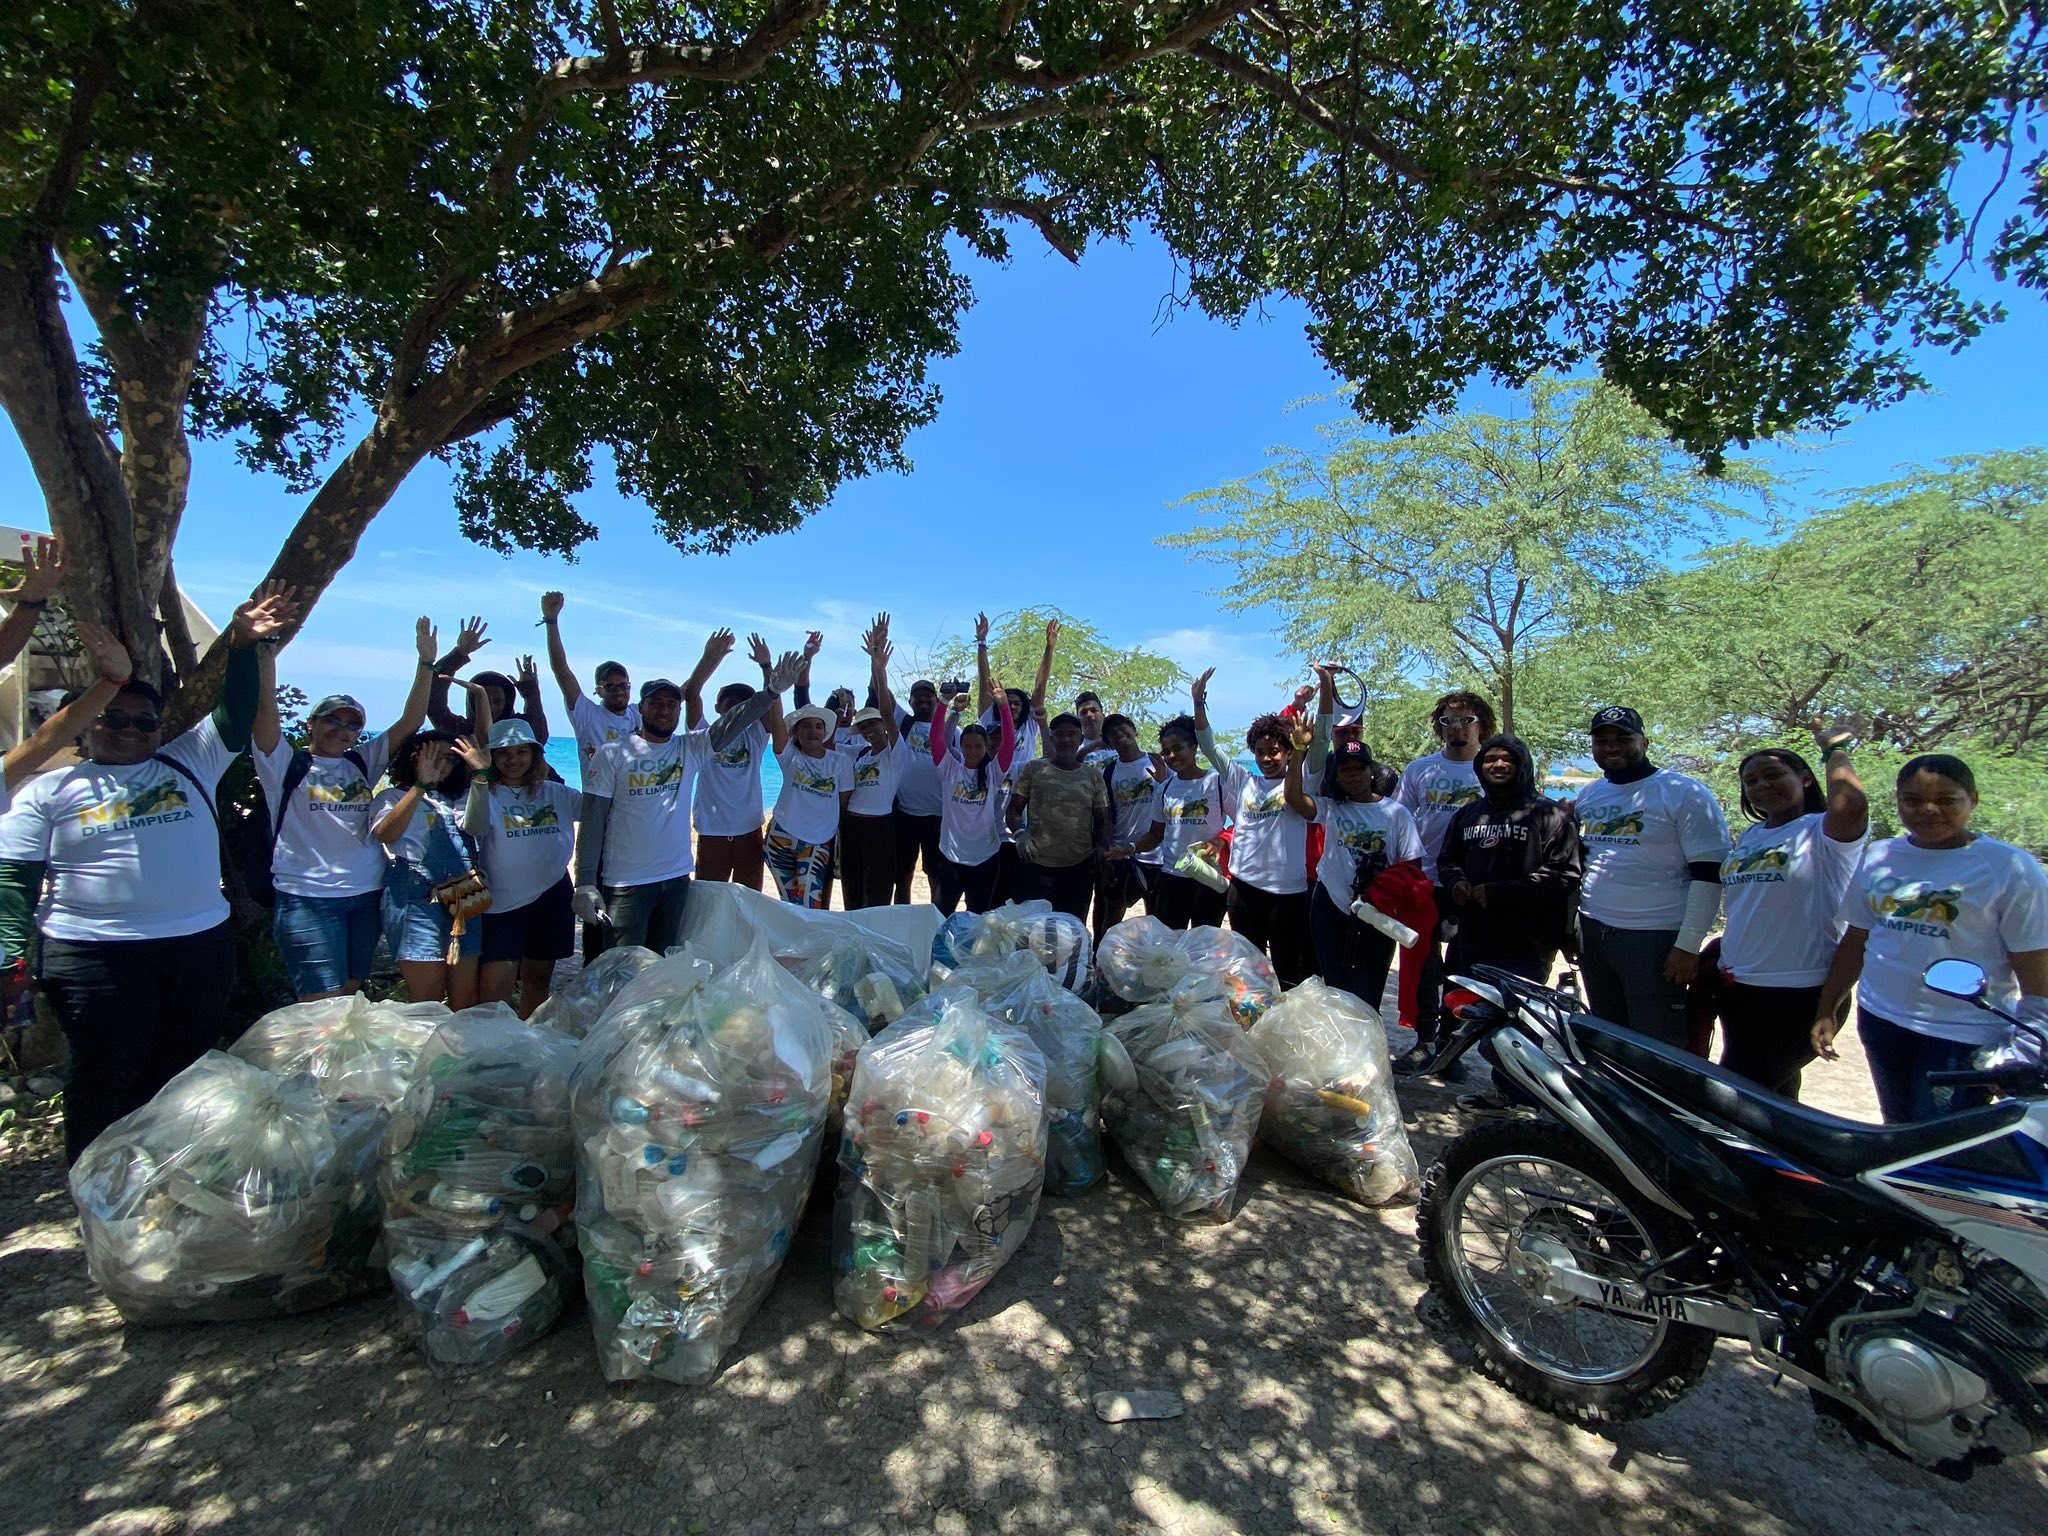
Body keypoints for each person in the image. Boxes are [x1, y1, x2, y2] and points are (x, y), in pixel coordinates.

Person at [0, 585, 298, 1161]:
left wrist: (242, 643)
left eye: (144, 721)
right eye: (113, 719)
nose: (130, 729)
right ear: (84, 724)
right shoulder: (50, 790)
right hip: (92, 955)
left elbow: (235, 714)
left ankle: (169, 1175)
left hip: (197, 947)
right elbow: (15, 882)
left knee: (182, 1070)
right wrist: (9, 959)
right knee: (106, 1074)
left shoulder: (189, 762)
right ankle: (100, 1181)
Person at [1811, 754, 2048, 1123]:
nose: (1928, 810)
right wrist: (1827, 1008)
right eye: (1912, 800)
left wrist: (2029, 1048)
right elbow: (1858, 937)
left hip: (1962, 1034)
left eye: (1946, 800)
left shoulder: (2010, 867)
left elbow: (2035, 968)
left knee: (1939, 1140)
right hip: (1880, 1019)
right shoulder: (1880, 855)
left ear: (1973, 800)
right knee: (1897, 1125)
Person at [255, 614, 437, 1000]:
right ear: (311, 724)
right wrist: (266, 656)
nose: (341, 729)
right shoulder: (283, 764)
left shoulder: (360, 763)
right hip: (307, 896)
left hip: (366, 893)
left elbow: (411, 721)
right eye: (332, 720)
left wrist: (426, 663)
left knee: (351, 992)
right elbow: (265, 711)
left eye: (352, 725)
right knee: (321, 1002)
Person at [574, 635, 794, 949]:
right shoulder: (612, 754)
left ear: (678, 711)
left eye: (671, 705)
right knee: (621, 965)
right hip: (625, 882)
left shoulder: (690, 747)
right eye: (656, 703)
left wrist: (771, 691)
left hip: (676, 879)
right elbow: (593, 820)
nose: (664, 710)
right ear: (641, 707)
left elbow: (736, 721)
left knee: (664, 962)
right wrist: (584, 881)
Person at [1713, 729, 1868, 1099]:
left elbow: (1851, 805)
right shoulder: (1752, 835)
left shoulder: (1823, 832)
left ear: (1805, 779)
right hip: (1741, 987)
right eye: (1751, 781)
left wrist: (1835, 749)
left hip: (1799, 993)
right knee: (1777, 1096)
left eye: (1773, 775)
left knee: (1732, 1096)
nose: (1761, 785)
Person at [1433, 734, 1583, 1114]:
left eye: (1507, 759)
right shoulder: (1468, 814)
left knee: (1519, 1019)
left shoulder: (1550, 814)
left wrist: (1500, 893)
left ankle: (1522, 1097)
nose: (1498, 765)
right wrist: (1457, 883)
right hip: (1474, 932)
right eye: (1490, 759)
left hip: (1526, 939)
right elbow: (1447, 860)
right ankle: (1502, 1092)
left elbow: (1565, 873)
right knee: (1483, 1016)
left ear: (1522, 765)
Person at [1571, 705, 1730, 1048]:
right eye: (1601, 740)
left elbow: (1708, 873)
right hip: (1594, 931)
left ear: (1644, 742)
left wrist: (1688, 945)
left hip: (1654, 936)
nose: (1611, 747)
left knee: (1656, 1042)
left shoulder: (1683, 792)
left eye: (1622, 738)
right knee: (1607, 1032)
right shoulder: (1591, 794)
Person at [1281, 726, 1425, 1014]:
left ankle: (1367, 1038)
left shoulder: (1396, 813)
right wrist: (1297, 751)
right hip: (1330, 905)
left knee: (1368, 989)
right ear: (1336, 776)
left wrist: (1384, 893)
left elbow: (1412, 865)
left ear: (1371, 771)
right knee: (1335, 986)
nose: (1354, 775)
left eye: (1360, 768)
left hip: (1377, 912)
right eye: (1345, 770)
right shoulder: (1333, 808)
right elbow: (1295, 799)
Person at [1190, 669, 1316, 986]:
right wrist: (1198, 704)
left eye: (1274, 751)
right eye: (1260, 752)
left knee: (1287, 969)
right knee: (1248, 967)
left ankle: (1285, 1016)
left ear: (1288, 752)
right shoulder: (1243, 780)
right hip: (1243, 887)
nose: (1266, 758)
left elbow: (1318, 746)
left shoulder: (1300, 784)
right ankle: (1252, 1015)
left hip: (1287, 891)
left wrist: (1319, 694)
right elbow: (1209, 746)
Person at [1393, 689, 1492, 1070]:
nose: (1457, 728)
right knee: (1423, 967)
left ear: (1482, 725)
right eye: (1448, 721)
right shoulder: (1420, 769)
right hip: (1426, 880)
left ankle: (1452, 1049)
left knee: (1463, 970)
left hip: (1474, 886)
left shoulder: (1491, 768)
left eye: (1466, 720)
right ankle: (1424, 1041)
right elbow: (1398, 819)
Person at [458, 719, 580, 1015]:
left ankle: (527, 1038)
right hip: (500, 902)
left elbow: (603, 809)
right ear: (492, 756)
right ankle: (491, 1040)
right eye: (503, 752)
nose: (513, 759)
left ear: (534, 755)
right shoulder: (483, 792)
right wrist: (480, 777)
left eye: (522, 751)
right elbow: (474, 827)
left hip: (552, 893)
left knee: (538, 980)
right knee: (495, 990)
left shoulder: (556, 793)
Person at [371, 728, 484, 1010]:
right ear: (415, 756)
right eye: (433, 755)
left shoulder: (458, 799)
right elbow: (386, 833)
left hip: (464, 893)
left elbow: (477, 825)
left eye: (450, 759)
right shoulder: (391, 797)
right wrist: (420, 785)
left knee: (465, 997)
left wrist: (480, 771)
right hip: (417, 896)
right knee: (426, 998)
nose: (441, 765)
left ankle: (456, 1041)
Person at [687, 632, 788, 891]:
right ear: (717, 707)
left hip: (749, 831)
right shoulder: (702, 736)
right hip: (711, 831)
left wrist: (767, 668)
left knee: (749, 901)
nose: (737, 713)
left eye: (744, 708)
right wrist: (710, 658)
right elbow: (692, 694)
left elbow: (770, 704)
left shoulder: (756, 735)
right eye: (731, 706)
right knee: (710, 901)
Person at [979, 614, 1055, 905]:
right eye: (1006, 702)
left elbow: (1040, 686)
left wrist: (1049, 648)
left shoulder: (1030, 726)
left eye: (1016, 704)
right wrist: (982, 643)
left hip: (1019, 790)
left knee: (1016, 881)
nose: (1011, 707)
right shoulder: (989, 721)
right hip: (990, 793)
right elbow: (984, 681)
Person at [1005, 711, 1110, 920]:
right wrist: (1019, 835)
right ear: (1052, 739)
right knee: (1029, 929)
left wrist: (1101, 848)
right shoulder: (1035, 768)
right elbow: (1013, 810)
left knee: (1070, 930)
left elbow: (1103, 820)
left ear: (1080, 739)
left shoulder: (1093, 776)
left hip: (1077, 869)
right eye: (1059, 734)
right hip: (1035, 865)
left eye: (1071, 734)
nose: (1066, 739)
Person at [1129, 712, 1230, 930]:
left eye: (1178, 748)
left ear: (1194, 748)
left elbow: (1241, 823)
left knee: (1205, 941)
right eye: (1166, 752)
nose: (1172, 756)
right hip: (1172, 877)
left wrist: (1220, 841)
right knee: (1170, 941)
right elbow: (1156, 834)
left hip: (1208, 876)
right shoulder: (1164, 788)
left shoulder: (1217, 782)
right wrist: (1130, 848)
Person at [840, 616, 911, 909]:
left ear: (884, 725)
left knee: (878, 893)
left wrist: (879, 668)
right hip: (851, 825)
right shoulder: (859, 754)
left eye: (873, 724)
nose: (869, 729)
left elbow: (886, 709)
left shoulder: (895, 753)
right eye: (864, 727)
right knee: (852, 890)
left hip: (880, 826)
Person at [930, 685, 1017, 915]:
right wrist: (943, 703)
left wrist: (1003, 705)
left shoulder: (994, 773)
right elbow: (936, 740)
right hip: (951, 856)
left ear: (986, 746)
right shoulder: (949, 770)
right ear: (960, 746)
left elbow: (1009, 744)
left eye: (978, 746)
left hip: (985, 858)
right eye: (967, 746)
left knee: (978, 920)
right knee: (940, 917)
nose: (972, 751)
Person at [540, 590, 637, 779]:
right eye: (610, 687)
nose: (619, 691)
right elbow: (561, 670)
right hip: (597, 796)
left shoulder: (638, 714)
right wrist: (551, 621)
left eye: (623, 685)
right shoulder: (587, 715)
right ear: (599, 691)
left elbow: (680, 694)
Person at [765, 700, 853, 909]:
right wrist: (774, 691)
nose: (813, 731)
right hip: (780, 837)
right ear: (796, 732)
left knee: (810, 903)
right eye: (806, 726)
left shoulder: (840, 762)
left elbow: (842, 802)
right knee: (788, 902)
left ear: (824, 732)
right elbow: (777, 722)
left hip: (818, 840)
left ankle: (807, 933)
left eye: (818, 726)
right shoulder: (790, 756)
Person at [1092, 712, 1165, 940]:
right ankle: (1100, 956)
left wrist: (1163, 781)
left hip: (1158, 854)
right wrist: (1104, 851)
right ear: (1108, 742)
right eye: (1112, 734)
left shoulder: (1158, 762)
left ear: (1134, 730)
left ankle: (1156, 958)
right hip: (1121, 853)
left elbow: (1174, 800)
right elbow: (1104, 816)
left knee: (1157, 919)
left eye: (1123, 729)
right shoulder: (1108, 772)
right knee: (1112, 916)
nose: (1120, 735)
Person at [427, 615, 549, 748]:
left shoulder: (519, 731)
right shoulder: (460, 731)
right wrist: (458, 654)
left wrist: (530, 692)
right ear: (471, 702)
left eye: (497, 701)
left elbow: (539, 734)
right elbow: (434, 706)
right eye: (482, 700)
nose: (489, 707)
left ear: (507, 703)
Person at [890, 676, 952, 903]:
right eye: (917, 696)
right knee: (902, 872)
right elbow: (883, 694)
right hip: (904, 813)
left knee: (935, 872)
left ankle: (937, 915)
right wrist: (878, 666)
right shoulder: (903, 723)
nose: (923, 699)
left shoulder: (950, 731)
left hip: (937, 815)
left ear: (937, 699)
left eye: (928, 695)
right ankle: (901, 914)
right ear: (910, 701)